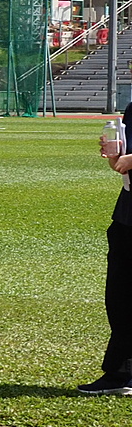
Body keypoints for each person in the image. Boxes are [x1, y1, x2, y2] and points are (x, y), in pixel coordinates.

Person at [85, 113, 132, 395]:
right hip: (128, 215)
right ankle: (122, 371)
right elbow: (122, 165)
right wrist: (115, 157)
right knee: (120, 298)